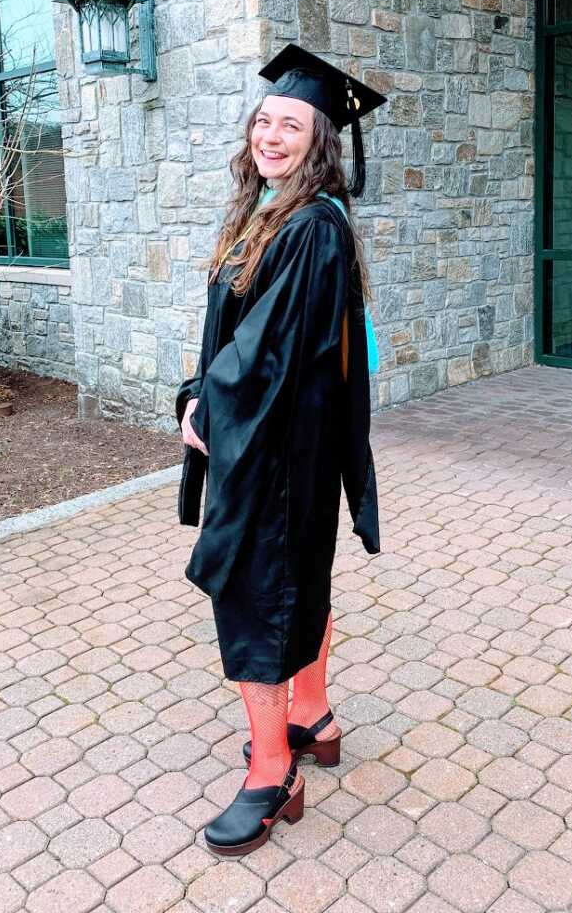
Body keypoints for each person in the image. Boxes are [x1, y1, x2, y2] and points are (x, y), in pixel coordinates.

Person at [174, 44, 383, 857]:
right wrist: (203, 385)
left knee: (257, 593)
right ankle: (311, 714)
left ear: (321, 141)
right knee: (302, 573)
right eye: (264, 120)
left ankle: (274, 772)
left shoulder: (309, 226)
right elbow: (241, 330)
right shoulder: (277, 213)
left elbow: (271, 348)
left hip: (271, 444)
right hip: (292, 442)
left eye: (290, 125)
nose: (270, 134)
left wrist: (208, 405)